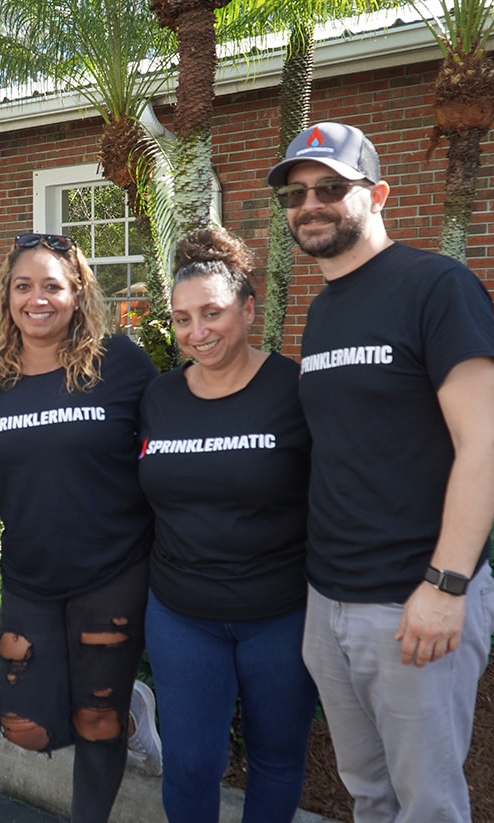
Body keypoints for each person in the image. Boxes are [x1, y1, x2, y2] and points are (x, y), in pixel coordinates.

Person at [266, 121, 494, 821]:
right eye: (296, 194)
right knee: (369, 794)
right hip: (330, 601)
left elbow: (483, 443)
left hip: (412, 599)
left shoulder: (437, 287)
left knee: (427, 804)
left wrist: (447, 584)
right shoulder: (323, 311)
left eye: (330, 188)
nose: (310, 204)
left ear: (377, 195)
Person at [0, 232, 162, 823]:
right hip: (31, 573)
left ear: (77, 293)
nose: (37, 299)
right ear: (7, 296)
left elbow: (167, 448)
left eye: (52, 286)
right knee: (25, 727)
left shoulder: (119, 362)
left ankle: (113, 729)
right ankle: (133, 704)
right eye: (23, 286)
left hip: (114, 568)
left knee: (95, 721)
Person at [137, 226, 318, 823]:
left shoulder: (296, 389)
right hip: (182, 613)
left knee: (276, 756)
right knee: (191, 763)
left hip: (281, 613)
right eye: (182, 319)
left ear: (248, 309)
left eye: (212, 313)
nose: (198, 332)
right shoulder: (158, 398)